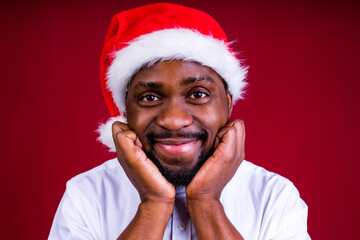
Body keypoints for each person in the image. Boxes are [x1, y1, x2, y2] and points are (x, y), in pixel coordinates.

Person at [49, 3, 310, 240]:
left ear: (228, 103)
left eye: (198, 94)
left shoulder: (274, 197)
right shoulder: (85, 196)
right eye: (149, 97)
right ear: (124, 111)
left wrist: (207, 202)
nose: (173, 120)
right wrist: (154, 204)